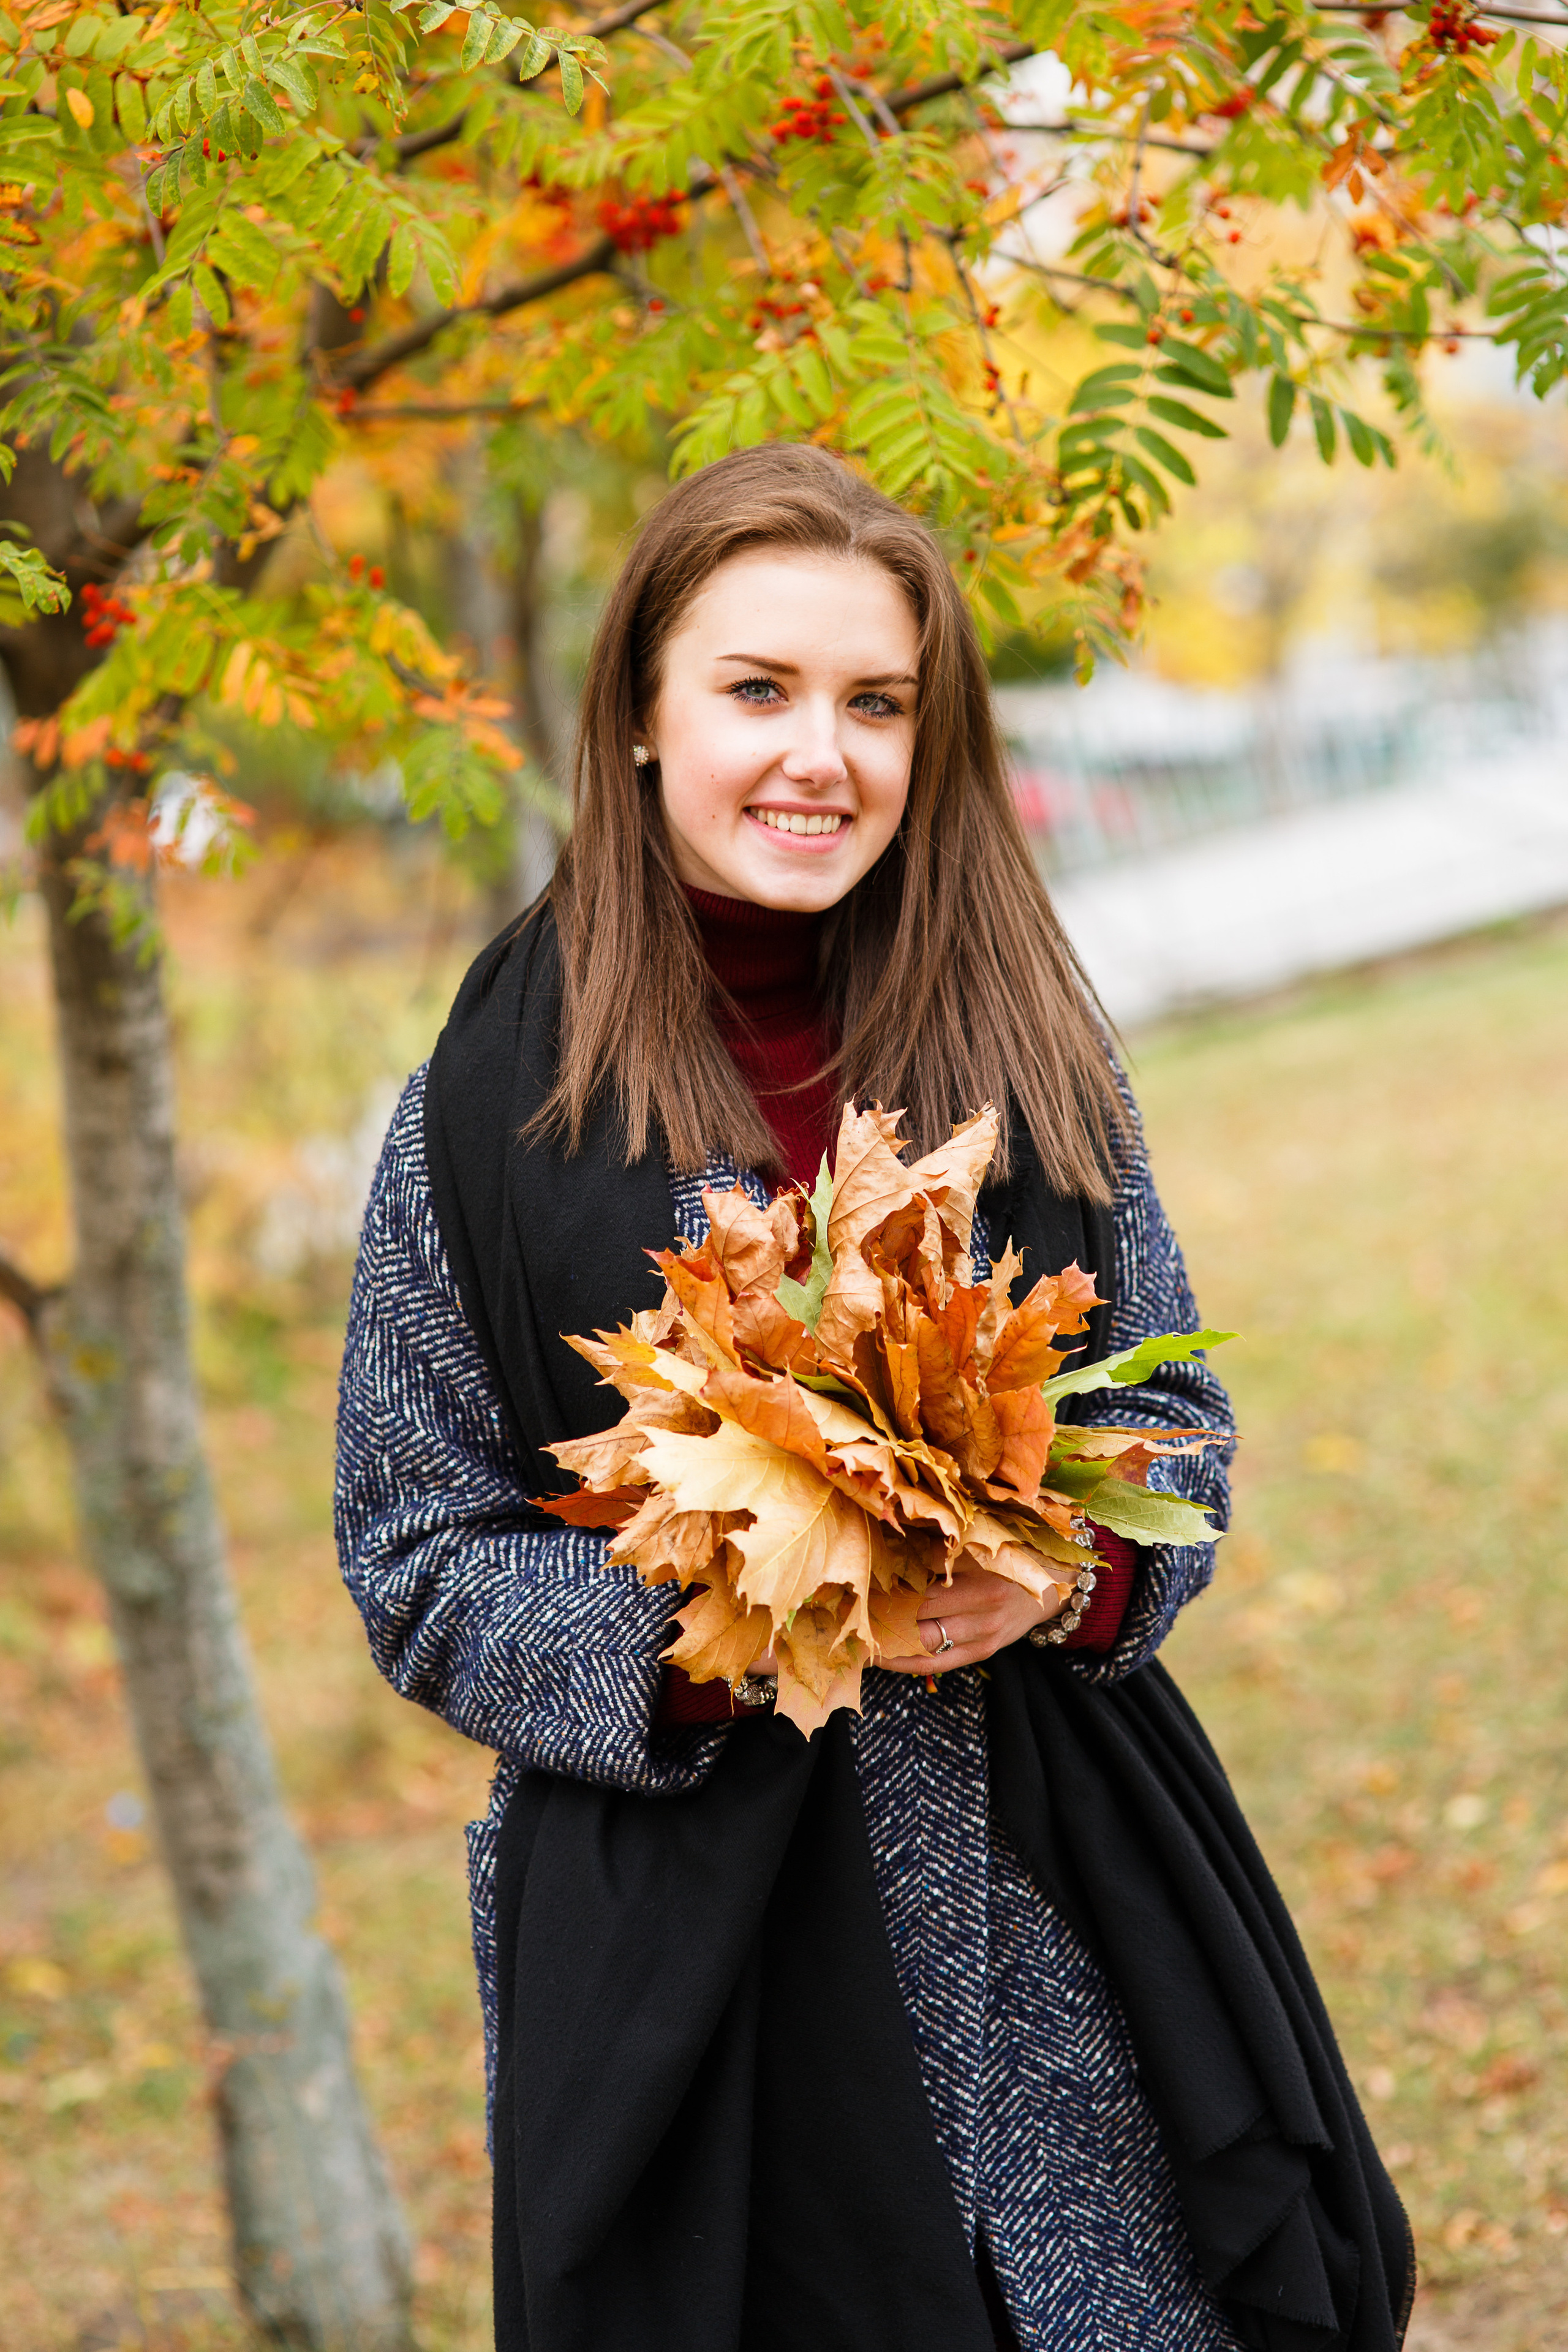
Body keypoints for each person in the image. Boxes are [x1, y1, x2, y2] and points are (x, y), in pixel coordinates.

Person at [336, 444, 1412, 2352]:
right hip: (698, 1968)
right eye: (757, 690)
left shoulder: (1023, 1040)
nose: (817, 754)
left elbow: (1180, 1436)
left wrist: (1069, 1568)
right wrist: (712, 1619)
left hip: (1059, 1902)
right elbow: (412, 1550)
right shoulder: (489, 1112)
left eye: (877, 702)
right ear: (645, 720)